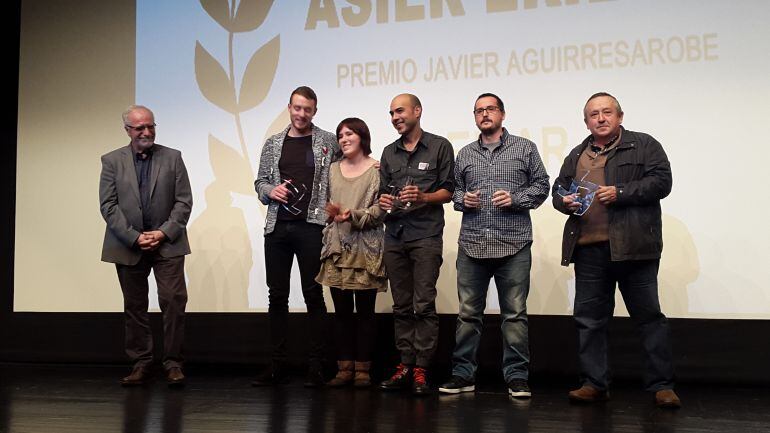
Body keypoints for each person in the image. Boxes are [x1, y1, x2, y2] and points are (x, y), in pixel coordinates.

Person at [552, 92, 681, 408]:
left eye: (606, 112)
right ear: (586, 122)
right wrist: (562, 201)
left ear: (620, 116)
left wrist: (621, 192)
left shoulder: (644, 144)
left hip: (635, 248)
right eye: (593, 114)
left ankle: (661, 386)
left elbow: (662, 182)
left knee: (649, 317)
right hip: (588, 250)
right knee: (589, 320)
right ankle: (595, 383)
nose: (600, 118)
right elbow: (559, 188)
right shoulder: (577, 153)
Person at [438, 93, 549, 398]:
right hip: (472, 244)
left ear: (502, 114)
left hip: (513, 244)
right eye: (479, 110)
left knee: (514, 315)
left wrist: (516, 199)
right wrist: (464, 200)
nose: (484, 114)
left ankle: (516, 377)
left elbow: (542, 186)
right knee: (467, 315)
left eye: (490, 109)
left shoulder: (524, 148)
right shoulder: (465, 153)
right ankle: (463, 375)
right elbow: (455, 191)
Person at [99, 105, 192, 387]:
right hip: (129, 245)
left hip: (168, 244)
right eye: (140, 128)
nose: (147, 132)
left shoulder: (172, 157)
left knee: (174, 301)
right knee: (135, 306)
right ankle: (141, 363)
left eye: (150, 126)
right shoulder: (111, 161)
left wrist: (163, 233)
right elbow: (108, 205)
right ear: (127, 130)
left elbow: (184, 201)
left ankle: (173, 362)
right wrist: (133, 236)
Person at [253, 86, 339, 387]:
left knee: (313, 295)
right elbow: (260, 181)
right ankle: (277, 366)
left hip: (311, 227)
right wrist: (269, 191)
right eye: (297, 108)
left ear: (314, 111)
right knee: (277, 296)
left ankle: (317, 366)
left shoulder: (327, 140)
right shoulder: (274, 143)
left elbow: (348, 167)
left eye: (308, 109)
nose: (302, 114)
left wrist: (370, 166)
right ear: (289, 107)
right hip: (277, 227)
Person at [378, 94, 455, 395]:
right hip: (394, 234)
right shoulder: (388, 152)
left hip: (425, 235)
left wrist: (424, 197)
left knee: (423, 304)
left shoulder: (439, 146)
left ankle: (422, 368)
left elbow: (449, 190)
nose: (395, 117)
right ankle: (405, 364)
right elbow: (384, 193)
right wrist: (383, 201)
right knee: (401, 306)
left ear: (417, 111)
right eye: (391, 113)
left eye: (400, 111)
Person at [316, 117, 387, 388]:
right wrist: (332, 215)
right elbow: (322, 203)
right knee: (342, 312)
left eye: (350, 134)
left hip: (366, 247)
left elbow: (382, 209)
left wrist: (354, 215)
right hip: (336, 247)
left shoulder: (378, 168)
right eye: (341, 135)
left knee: (366, 312)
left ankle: (363, 370)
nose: (344, 139)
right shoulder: (332, 169)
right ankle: (344, 368)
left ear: (362, 137)